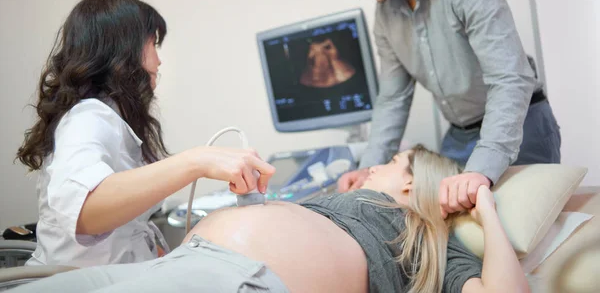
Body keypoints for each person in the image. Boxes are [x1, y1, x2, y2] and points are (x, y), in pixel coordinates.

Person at [10, 145, 530, 293]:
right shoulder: (345, 200)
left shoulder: (428, 245)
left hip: (243, 279)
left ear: (414, 183)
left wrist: (483, 204)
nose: (374, 166)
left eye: (391, 163)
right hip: (188, 263)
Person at [321, 0, 561, 217]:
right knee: (450, 235)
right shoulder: (385, 18)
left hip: (520, 125)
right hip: (460, 135)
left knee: (523, 233)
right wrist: (368, 167)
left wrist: (482, 169)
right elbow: (393, 98)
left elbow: (510, 78)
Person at [15, 0, 275, 267]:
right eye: (153, 44)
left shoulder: (112, 119)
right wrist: (197, 161)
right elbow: (85, 212)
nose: (159, 61)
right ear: (126, 49)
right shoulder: (86, 118)